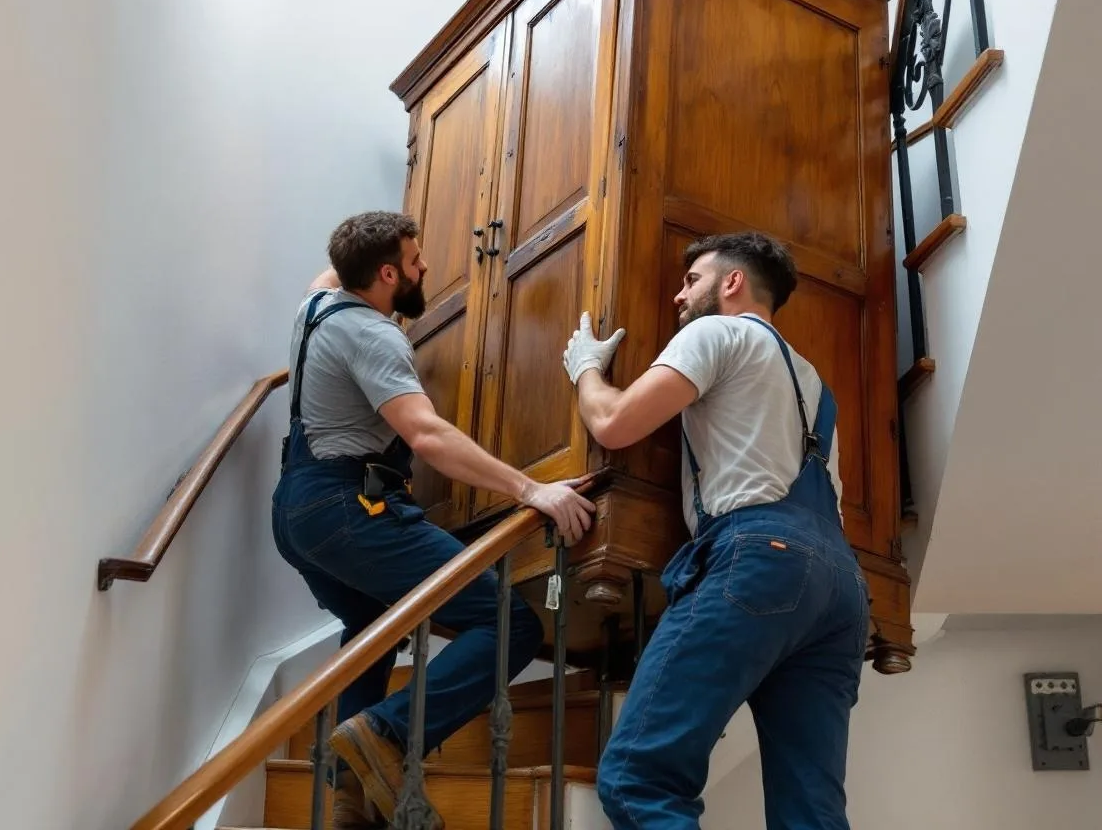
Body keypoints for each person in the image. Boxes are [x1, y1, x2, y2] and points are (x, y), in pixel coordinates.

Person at [273, 210, 597, 830]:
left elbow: (338, 269)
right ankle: (386, 738)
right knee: (508, 624)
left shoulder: (315, 305)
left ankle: (349, 797)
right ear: (388, 273)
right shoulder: (374, 336)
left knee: (371, 622)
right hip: (347, 505)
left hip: (295, 512)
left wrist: (371, 253)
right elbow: (424, 434)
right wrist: (531, 488)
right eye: (415, 262)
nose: (427, 269)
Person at [559, 231, 868, 830]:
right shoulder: (816, 386)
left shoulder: (716, 332)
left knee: (637, 777)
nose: (679, 296)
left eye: (691, 280)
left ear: (732, 282)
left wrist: (587, 370)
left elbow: (615, 424)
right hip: (841, 588)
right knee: (812, 810)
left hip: (759, 558)